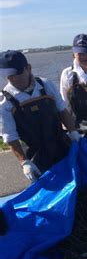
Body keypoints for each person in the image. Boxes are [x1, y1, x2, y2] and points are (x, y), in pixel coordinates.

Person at [0, 50, 81, 182]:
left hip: (61, 146)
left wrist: (73, 132)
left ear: (28, 68)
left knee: (75, 182)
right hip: (36, 156)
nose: (14, 79)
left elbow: (62, 110)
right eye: (9, 76)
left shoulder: (45, 85)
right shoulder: (5, 101)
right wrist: (24, 162)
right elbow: (11, 137)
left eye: (18, 74)